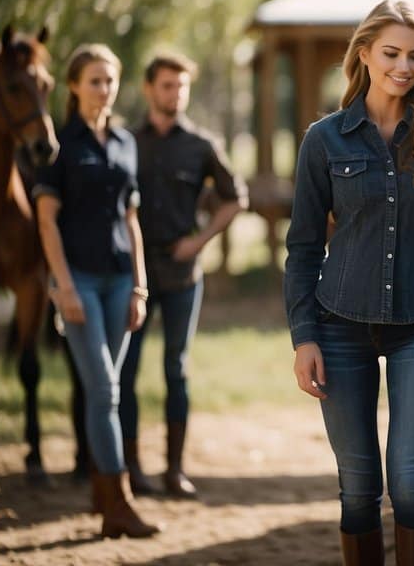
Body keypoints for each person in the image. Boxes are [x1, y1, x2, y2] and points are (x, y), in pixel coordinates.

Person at [284, 0, 414, 566]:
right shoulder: (325, 141)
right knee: (357, 489)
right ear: (365, 55)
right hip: (338, 327)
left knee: (409, 482)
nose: (404, 67)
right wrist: (305, 338)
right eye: (392, 54)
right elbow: (302, 247)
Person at [34, 44, 161, 538]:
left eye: (110, 80)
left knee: (106, 390)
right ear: (73, 87)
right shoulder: (59, 146)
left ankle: (103, 494)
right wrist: (62, 287)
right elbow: (46, 223)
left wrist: (140, 286)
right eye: (94, 81)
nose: (104, 89)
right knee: (104, 389)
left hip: (119, 282)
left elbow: (132, 220)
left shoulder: (126, 142)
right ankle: (118, 504)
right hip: (78, 281)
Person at [120, 53, 248, 498]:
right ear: (148, 88)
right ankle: (131, 468)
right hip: (131, 275)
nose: (175, 94)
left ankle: (175, 470)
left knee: (176, 368)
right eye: (167, 86)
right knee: (126, 370)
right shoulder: (124, 142)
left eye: (182, 86)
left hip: (181, 274)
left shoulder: (201, 144)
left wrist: (200, 241)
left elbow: (235, 199)